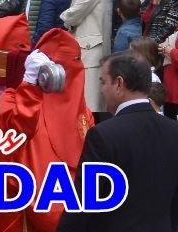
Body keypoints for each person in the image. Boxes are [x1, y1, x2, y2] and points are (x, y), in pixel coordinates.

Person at [57, 53, 178, 231]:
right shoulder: (173, 131)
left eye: (103, 82)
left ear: (119, 84)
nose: (101, 90)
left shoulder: (103, 135)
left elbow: (82, 205)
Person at [60, 0, 107, 112]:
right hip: (86, 49)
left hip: (90, 51)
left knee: (90, 104)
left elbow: (74, 14)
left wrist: (63, 18)